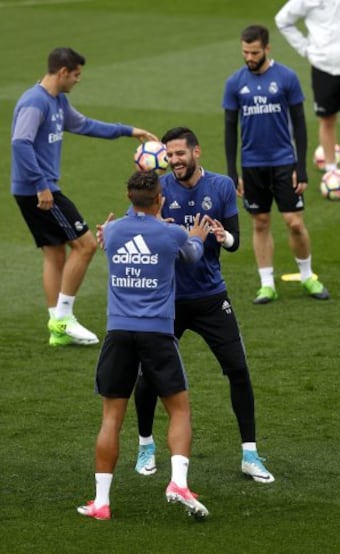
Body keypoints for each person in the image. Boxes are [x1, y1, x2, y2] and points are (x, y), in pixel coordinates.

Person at [132, 127, 275, 484]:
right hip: (167, 300)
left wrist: (222, 236)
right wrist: (155, 230)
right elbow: (134, 233)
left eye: (180, 153)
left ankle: (250, 454)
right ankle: (145, 446)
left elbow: (235, 241)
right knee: (148, 375)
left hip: (211, 297)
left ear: (196, 152)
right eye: (169, 155)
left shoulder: (223, 186)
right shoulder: (158, 189)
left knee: (238, 370)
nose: (174, 160)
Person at [77, 170, 210, 521]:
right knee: (179, 410)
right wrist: (196, 236)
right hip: (157, 334)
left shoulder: (114, 231)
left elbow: (113, 234)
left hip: (118, 333)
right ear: (160, 199)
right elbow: (192, 255)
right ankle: (178, 483)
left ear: (128, 197)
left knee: (111, 419)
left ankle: (101, 503)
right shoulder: (171, 234)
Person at [11, 47, 158, 347]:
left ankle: (57, 328)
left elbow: (85, 125)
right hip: (39, 190)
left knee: (54, 253)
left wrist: (129, 131)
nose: (78, 80)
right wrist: (41, 185)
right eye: (76, 75)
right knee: (86, 245)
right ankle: (64, 318)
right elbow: (20, 143)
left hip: (35, 189)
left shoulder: (58, 101)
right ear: (63, 72)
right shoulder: (35, 102)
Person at [222, 25, 329, 304]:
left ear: (267, 49)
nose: (249, 57)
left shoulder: (286, 77)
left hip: (284, 161)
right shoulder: (235, 83)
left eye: (254, 52)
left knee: (294, 222)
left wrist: (301, 166)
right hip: (252, 164)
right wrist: (233, 172)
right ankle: (266, 283)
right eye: (245, 52)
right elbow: (230, 129)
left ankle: (307, 276)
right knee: (260, 222)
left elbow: (300, 125)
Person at [275, 0, 340, 172]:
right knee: (327, 119)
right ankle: (331, 170)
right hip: (323, 67)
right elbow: (283, 20)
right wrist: (306, 50)